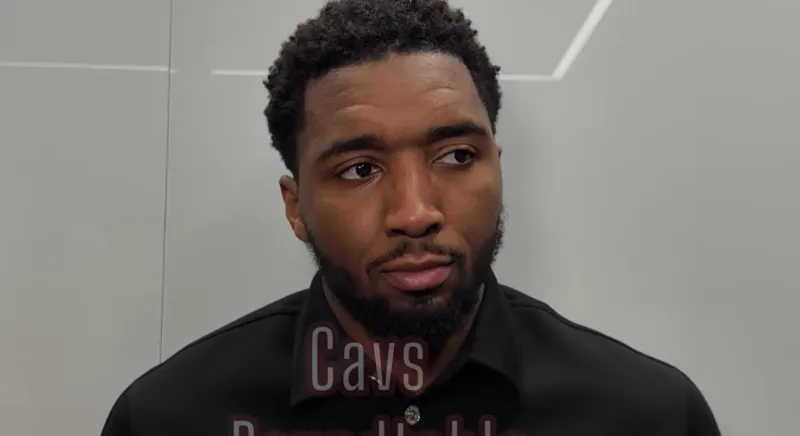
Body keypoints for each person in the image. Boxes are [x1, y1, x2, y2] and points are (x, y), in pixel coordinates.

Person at [101, 1, 721, 435]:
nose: (416, 213)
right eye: (359, 169)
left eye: (457, 156)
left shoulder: (650, 416)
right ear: (295, 207)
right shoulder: (167, 418)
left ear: (497, 167)